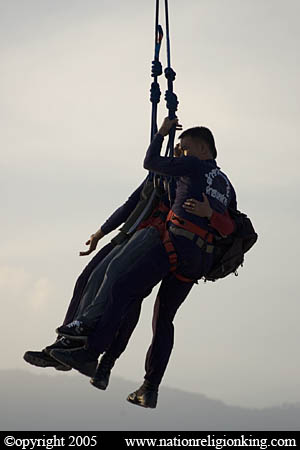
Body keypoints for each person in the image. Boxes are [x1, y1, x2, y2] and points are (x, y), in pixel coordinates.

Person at [50, 117, 237, 407]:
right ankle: (149, 388)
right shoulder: (226, 185)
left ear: (202, 148)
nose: (181, 152)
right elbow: (230, 228)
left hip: (175, 243)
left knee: (122, 287)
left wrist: (162, 133)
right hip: (197, 260)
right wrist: (210, 214)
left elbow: (150, 162)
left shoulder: (194, 165)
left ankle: (91, 353)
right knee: (164, 320)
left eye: (185, 147)